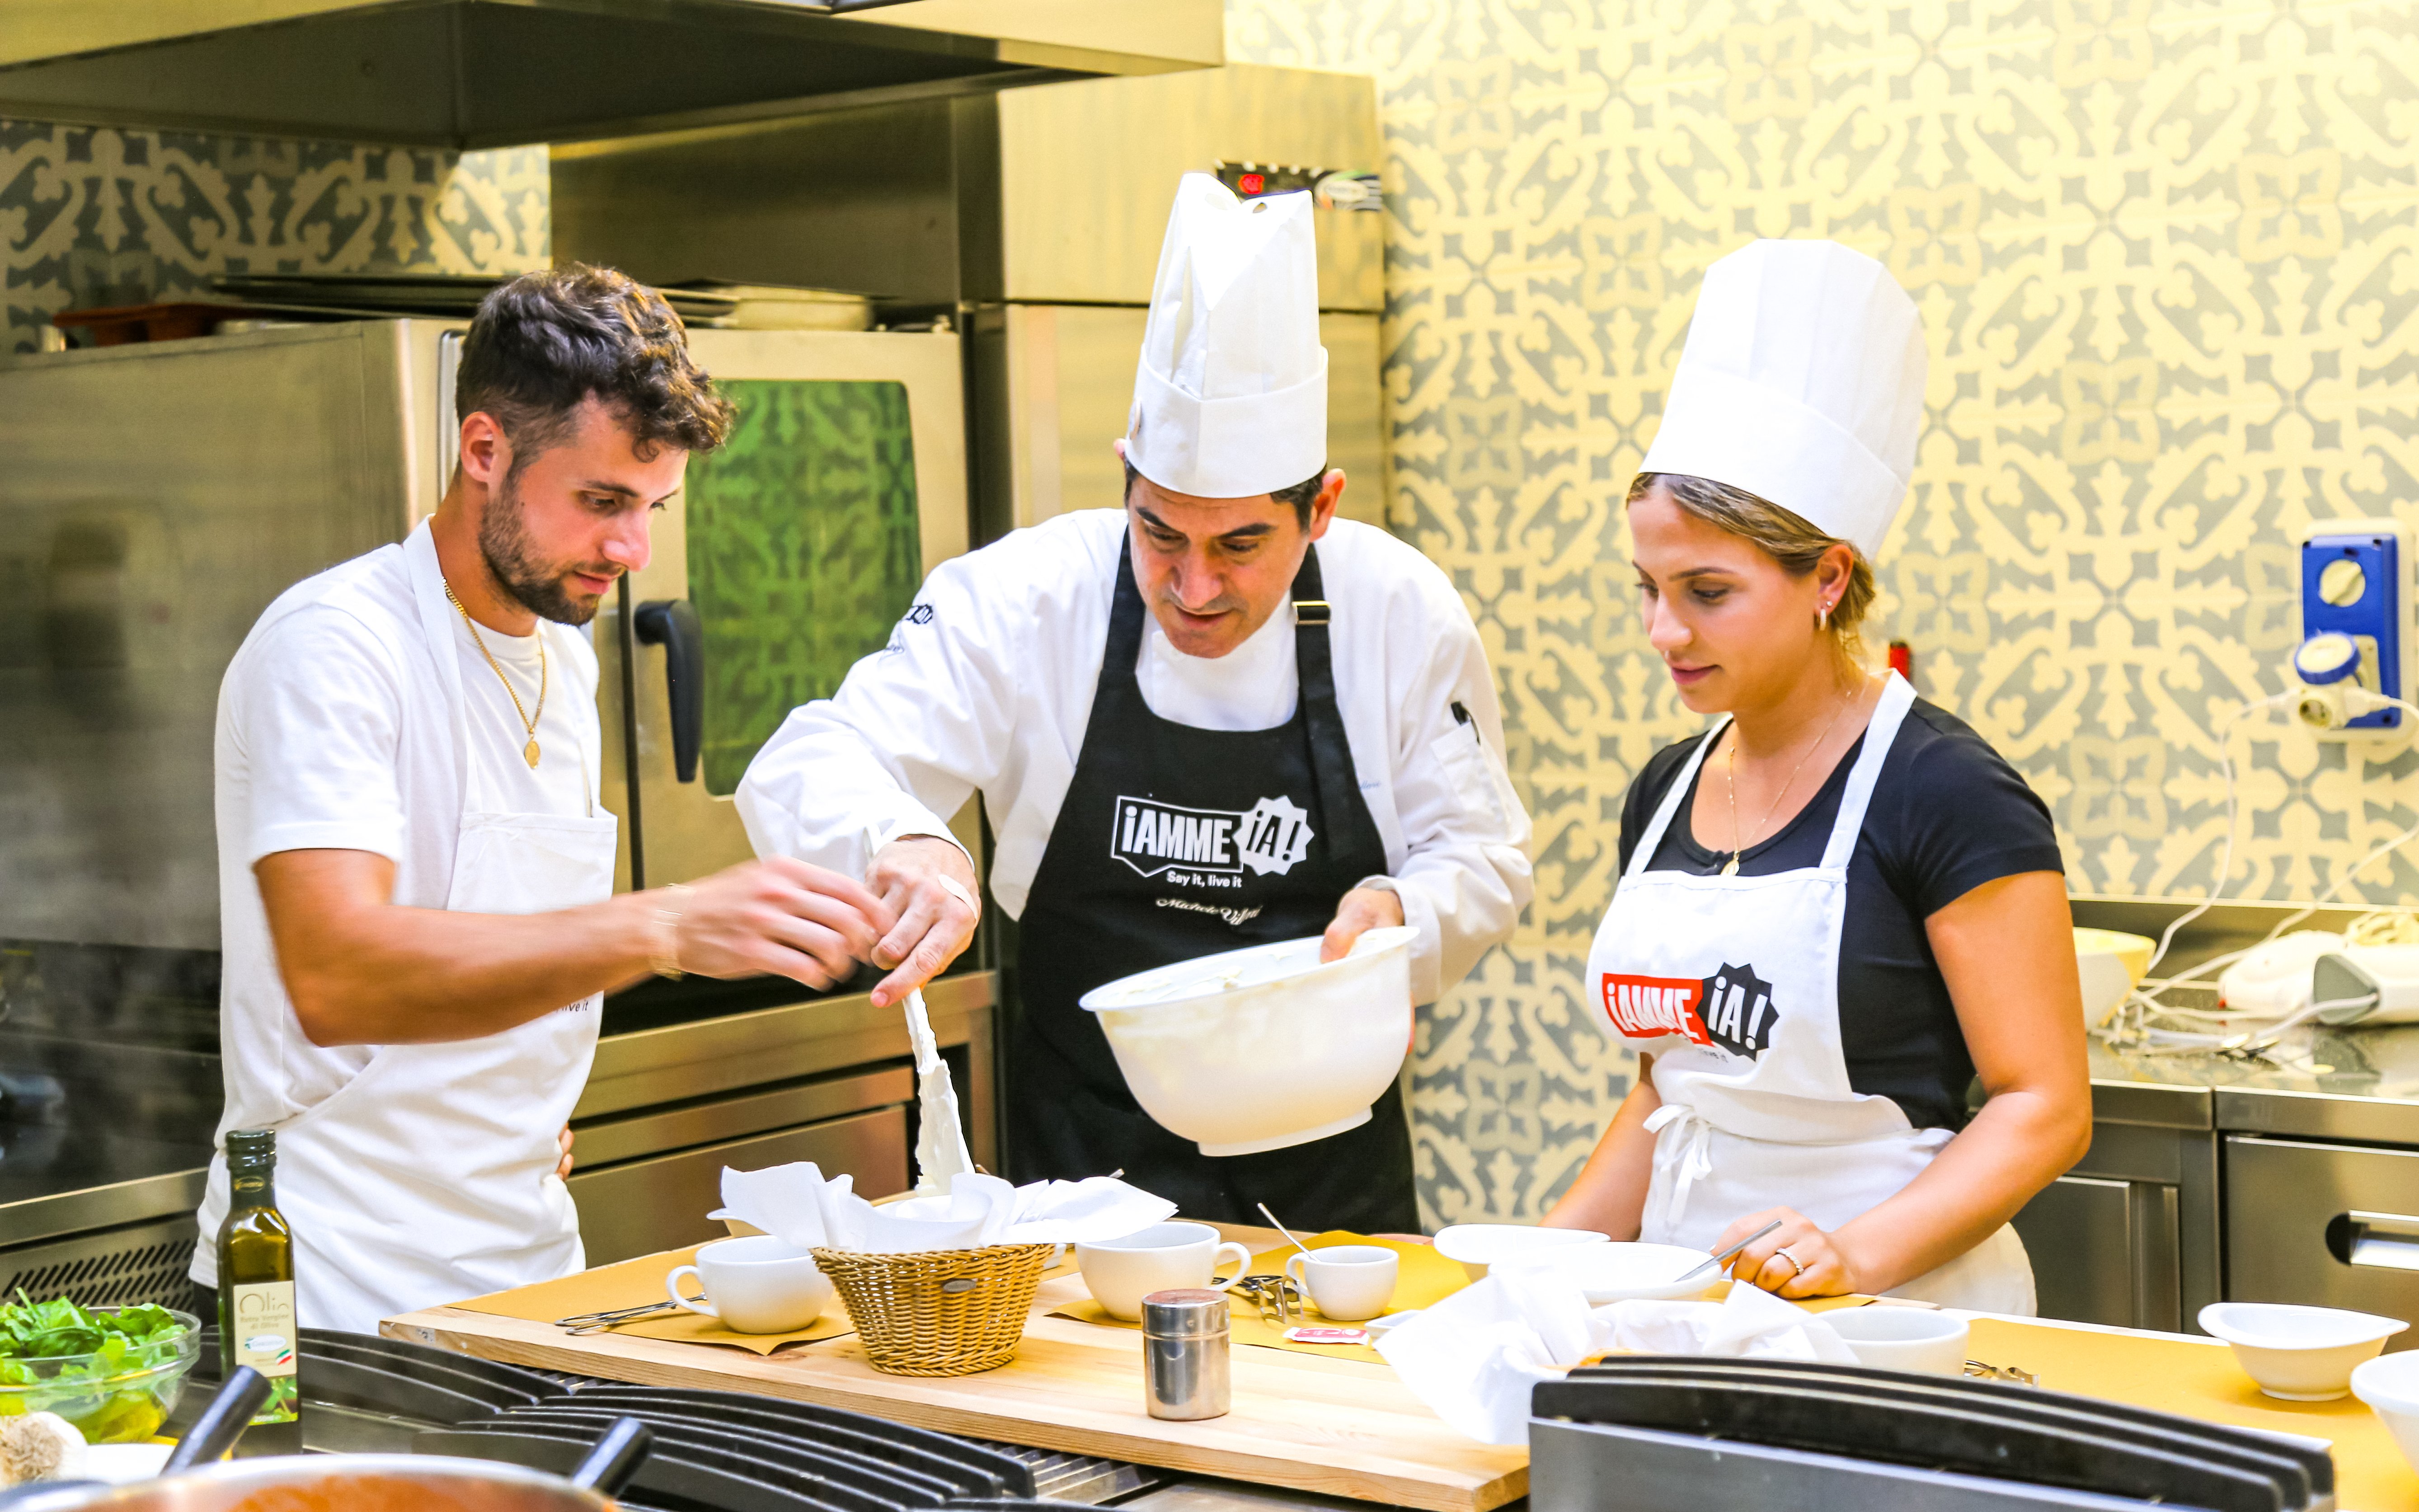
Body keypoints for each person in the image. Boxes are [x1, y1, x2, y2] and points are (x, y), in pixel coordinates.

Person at [737, 174, 1532, 1230]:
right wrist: (908, 839)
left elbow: (1479, 853)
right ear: (1124, 477)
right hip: (1081, 1184)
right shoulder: (1027, 597)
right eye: (1160, 533)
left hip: (1334, 1183)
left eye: (1241, 545)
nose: (1193, 588)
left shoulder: (1397, 610)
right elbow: (806, 755)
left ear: (1322, 507)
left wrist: (1403, 916)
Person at [193, 266, 896, 1332]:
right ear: (485, 451)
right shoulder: (335, 647)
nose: (632, 550)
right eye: (602, 501)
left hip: (528, 1282)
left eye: (653, 507)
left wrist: (514, 1100)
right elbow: (337, 974)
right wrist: (665, 922)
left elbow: (508, 954)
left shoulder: (566, 665)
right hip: (335, 1297)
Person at [1541, 240, 2091, 1312]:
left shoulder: (1943, 789)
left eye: (1706, 590)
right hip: (1688, 1300)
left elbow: (2045, 1105)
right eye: (1647, 588)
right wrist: (1538, 1261)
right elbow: (1667, 1093)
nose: (1664, 630)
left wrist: (1854, 1257)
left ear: (1827, 578)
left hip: (1899, 1312)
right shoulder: (1665, 791)